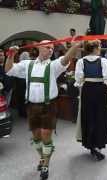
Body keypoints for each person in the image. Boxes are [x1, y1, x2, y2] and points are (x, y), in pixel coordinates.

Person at [5, 40, 81, 180]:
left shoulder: (53, 66)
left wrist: (75, 47)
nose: (51, 50)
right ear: (39, 48)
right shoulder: (27, 64)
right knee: (36, 137)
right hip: (32, 106)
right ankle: (43, 156)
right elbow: (9, 70)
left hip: (49, 105)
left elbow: (65, 59)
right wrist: (10, 55)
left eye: (52, 48)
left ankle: (45, 164)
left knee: (46, 135)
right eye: (47, 47)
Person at [74, 40, 107, 161]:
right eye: (99, 46)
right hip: (101, 91)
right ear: (95, 48)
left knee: (89, 118)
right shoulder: (103, 61)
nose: (100, 48)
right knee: (101, 118)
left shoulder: (80, 62)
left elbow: (79, 81)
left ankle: (91, 144)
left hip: (87, 91)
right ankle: (98, 145)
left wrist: (82, 95)